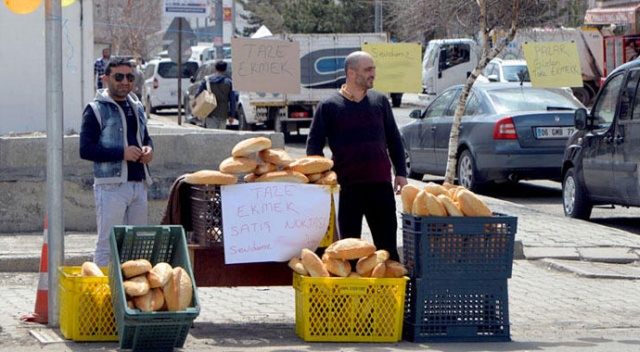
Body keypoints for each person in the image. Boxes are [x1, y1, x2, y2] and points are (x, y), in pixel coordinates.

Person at [306, 51, 408, 261]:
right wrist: (320, 177)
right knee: (348, 250)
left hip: (380, 185)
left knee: (387, 247)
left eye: (373, 69)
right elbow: (314, 144)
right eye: (368, 69)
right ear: (351, 73)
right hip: (346, 188)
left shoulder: (380, 101)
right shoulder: (329, 106)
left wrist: (401, 172)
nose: (373, 74)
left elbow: (394, 139)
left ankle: (389, 292)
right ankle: (352, 292)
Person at [79, 57, 154, 267]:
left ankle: (130, 295)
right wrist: (121, 153)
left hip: (139, 183)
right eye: (119, 77)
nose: (125, 82)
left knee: (138, 246)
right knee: (107, 245)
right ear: (105, 79)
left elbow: (145, 137)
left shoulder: (137, 106)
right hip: (111, 187)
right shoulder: (95, 109)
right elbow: (85, 149)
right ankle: (101, 295)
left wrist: (149, 150)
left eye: (130, 77)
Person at [194, 60, 235, 129]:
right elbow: (232, 100)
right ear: (225, 70)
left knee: (211, 134)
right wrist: (232, 115)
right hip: (223, 112)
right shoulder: (229, 82)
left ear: (215, 69)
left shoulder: (207, 80)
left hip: (209, 110)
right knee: (222, 134)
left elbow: (198, 94)